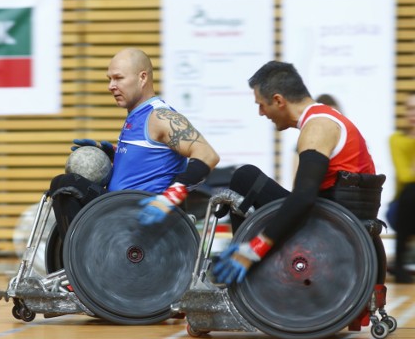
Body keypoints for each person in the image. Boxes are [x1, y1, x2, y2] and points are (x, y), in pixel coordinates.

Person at [213, 61, 380, 284]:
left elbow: (303, 197)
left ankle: (244, 282)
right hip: (341, 219)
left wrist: (256, 247)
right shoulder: (328, 117)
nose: (261, 113)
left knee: (245, 178)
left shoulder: (317, 128)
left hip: (332, 228)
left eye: (261, 105)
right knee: (248, 186)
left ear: (278, 100)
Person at [50, 47, 220, 237]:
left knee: (64, 183)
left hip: (136, 216)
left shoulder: (160, 116)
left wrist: (170, 198)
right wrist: (111, 157)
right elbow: (145, 166)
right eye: (109, 79)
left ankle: (78, 256)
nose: (111, 86)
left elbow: (208, 155)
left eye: (118, 78)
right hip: (119, 207)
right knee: (67, 186)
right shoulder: (136, 116)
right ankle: (77, 253)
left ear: (143, 78)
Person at [387, 92, 415, 283]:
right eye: (410, 109)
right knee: (411, 191)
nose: (412, 113)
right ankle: (399, 262)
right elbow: (406, 176)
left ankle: (402, 260)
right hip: (403, 208)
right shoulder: (396, 140)